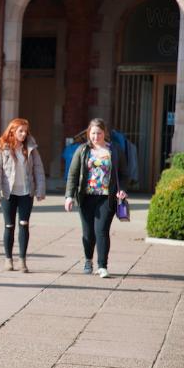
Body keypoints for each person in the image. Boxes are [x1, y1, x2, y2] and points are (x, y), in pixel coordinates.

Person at [64, 118, 129, 278]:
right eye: (92, 133)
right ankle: (88, 260)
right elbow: (73, 174)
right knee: (88, 233)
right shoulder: (82, 150)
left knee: (101, 231)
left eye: (98, 133)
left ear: (104, 133)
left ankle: (102, 265)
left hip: (106, 198)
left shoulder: (115, 150)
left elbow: (124, 174)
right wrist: (69, 196)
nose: (95, 136)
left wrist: (123, 190)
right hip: (85, 197)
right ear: (88, 133)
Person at [0, 118, 46, 273]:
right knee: (9, 226)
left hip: (26, 193)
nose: (23, 134)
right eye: (20, 131)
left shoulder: (31, 148)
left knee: (24, 225)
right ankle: (8, 259)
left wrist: (40, 190)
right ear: (12, 131)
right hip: (8, 194)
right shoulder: (2, 149)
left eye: (25, 131)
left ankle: (22, 260)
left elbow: (39, 169)